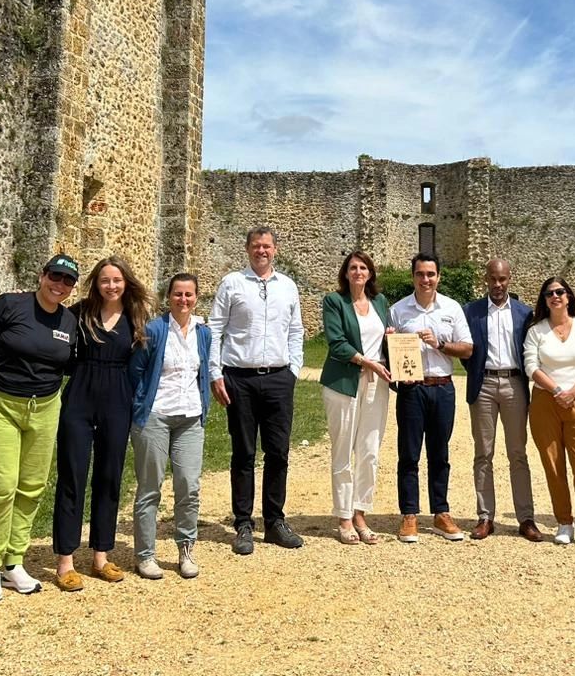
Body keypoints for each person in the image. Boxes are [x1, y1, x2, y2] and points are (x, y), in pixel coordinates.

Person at [0, 254, 80, 603]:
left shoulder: (69, 321)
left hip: (44, 409)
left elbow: (69, 364)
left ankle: (14, 562)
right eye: (55, 276)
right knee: (1, 486)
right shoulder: (10, 305)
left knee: (31, 487)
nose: (60, 285)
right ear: (42, 275)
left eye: (68, 281)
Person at [50, 256, 151, 591]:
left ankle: (101, 557)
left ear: (126, 283)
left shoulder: (136, 316)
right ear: (96, 283)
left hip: (117, 400)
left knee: (109, 477)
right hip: (80, 396)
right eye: (105, 280)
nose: (111, 286)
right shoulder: (78, 313)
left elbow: (143, 365)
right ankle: (65, 560)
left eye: (117, 280)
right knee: (72, 475)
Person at [208, 226, 305, 554]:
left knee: (278, 452)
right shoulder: (232, 283)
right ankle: (244, 524)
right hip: (241, 379)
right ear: (247, 249)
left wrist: (293, 370)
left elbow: (296, 329)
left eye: (266, 246)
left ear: (275, 249)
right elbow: (215, 327)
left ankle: (275, 521)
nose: (261, 251)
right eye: (255, 246)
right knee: (244, 453)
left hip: (279, 378)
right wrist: (215, 373)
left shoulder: (288, 287)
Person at [129, 273, 212, 579]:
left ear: (196, 297)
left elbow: (203, 371)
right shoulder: (153, 330)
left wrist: (204, 406)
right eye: (178, 294)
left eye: (189, 294)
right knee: (150, 487)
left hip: (190, 418)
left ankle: (186, 549)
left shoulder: (203, 334)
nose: (183, 300)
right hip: (156, 417)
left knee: (189, 486)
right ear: (168, 297)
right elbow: (135, 372)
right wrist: (140, 409)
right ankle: (146, 555)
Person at [389, 252, 473, 543]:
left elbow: (468, 348)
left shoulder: (451, 308)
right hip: (412, 389)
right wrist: (389, 341)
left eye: (431, 274)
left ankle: (441, 512)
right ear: (412, 276)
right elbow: (389, 353)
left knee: (440, 453)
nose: (426, 279)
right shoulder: (398, 311)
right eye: (420, 274)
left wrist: (440, 344)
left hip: (442, 387)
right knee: (409, 454)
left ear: (439, 277)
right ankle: (409, 514)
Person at [461, 259, 542, 542]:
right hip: (482, 383)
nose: (497, 285)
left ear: (510, 279)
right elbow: (465, 349)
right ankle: (485, 517)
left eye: (502, 279)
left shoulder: (524, 313)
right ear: (486, 279)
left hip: (514, 383)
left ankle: (526, 518)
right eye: (493, 279)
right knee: (483, 453)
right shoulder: (470, 311)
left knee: (518, 453)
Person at [522, 276, 575, 548]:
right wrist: (557, 391)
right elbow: (531, 366)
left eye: (560, 292)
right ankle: (564, 522)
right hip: (546, 402)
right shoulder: (536, 331)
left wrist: (572, 391)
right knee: (554, 467)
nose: (555, 297)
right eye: (549, 294)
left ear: (569, 296)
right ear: (544, 300)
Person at [319, 251, 393, 544]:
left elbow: (383, 341)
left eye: (363, 267)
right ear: (345, 273)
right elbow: (337, 343)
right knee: (343, 451)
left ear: (370, 273)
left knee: (370, 451)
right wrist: (368, 362)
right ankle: (344, 516)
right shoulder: (334, 302)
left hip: (378, 385)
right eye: (353, 267)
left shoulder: (380, 302)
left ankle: (361, 512)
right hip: (343, 384)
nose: (358, 272)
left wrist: (392, 336)